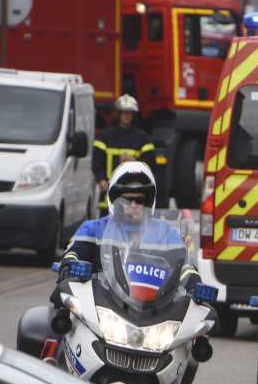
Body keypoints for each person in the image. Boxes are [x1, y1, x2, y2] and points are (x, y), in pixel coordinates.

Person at [54, 161, 199, 293]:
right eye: (128, 200)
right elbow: (72, 254)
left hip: (154, 310)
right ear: (116, 201)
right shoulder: (93, 230)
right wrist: (68, 264)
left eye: (140, 200)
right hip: (101, 307)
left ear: (148, 202)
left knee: (208, 317)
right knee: (61, 308)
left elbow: (185, 267)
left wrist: (194, 282)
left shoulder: (167, 234)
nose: (134, 205)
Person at [93, 94, 155, 213]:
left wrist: (135, 162)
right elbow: (97, 160)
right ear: (118, 114)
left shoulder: (142, 138)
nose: (127, 116)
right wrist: (101, 179)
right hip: (109, 191)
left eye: (130, 113)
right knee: (107, 227)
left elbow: (150, 161)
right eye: (124, 112)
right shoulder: (105, 136)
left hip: (134, 193)